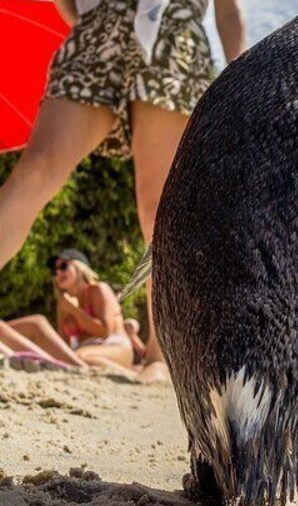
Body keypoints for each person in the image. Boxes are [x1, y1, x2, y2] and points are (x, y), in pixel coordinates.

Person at [0, 0, 247, 383]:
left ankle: (162, 355)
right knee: (35, 171)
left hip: (172, 32)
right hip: (100, 28)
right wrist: (95, 19)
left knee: (158, 209)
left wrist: (241, 75)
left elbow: (227, 8)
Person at [0, 249, 140, 374]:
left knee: (79, 357)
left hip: (114, 346)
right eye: (54, 271)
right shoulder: (63, 303)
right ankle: (126, 373)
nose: (58, 272)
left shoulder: (98, 289)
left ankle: (131, 374)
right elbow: (64, 345)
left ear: (79, 267)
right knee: (74, 355)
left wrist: (74, 310)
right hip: (85, 351)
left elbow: (105, 332)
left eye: (63, 266)